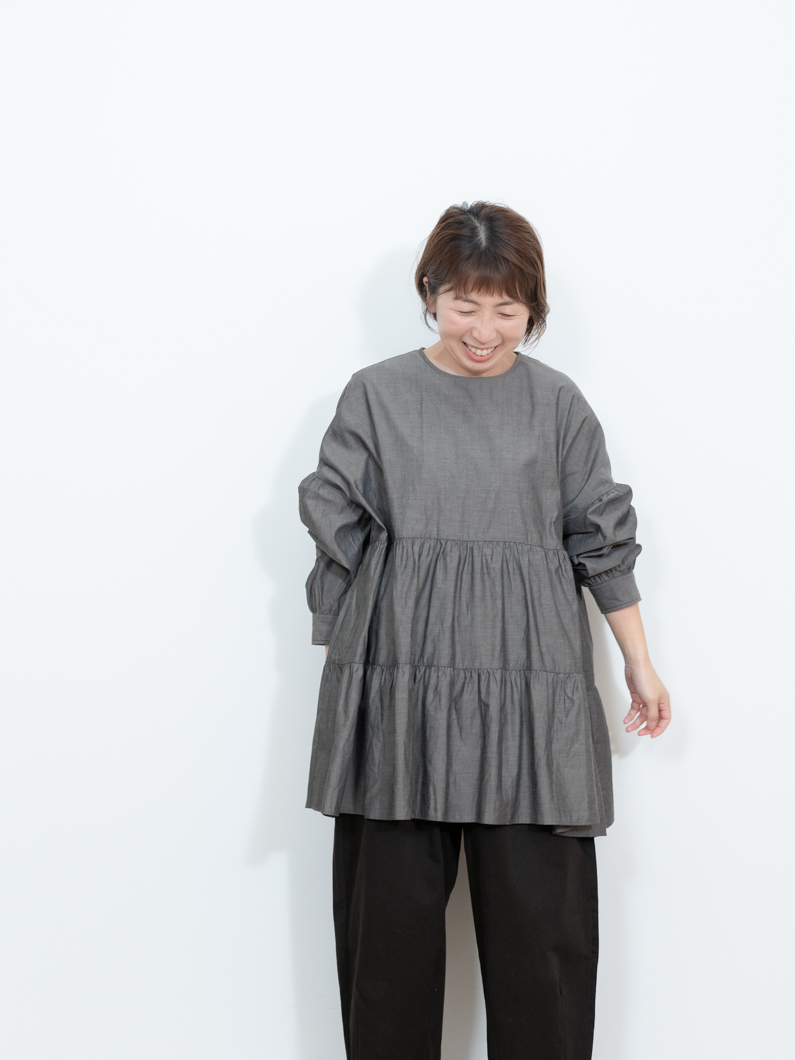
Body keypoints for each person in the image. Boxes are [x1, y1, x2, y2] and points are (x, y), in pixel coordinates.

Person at [297, 201, 671, 1060]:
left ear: (532, 308)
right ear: (430, 293)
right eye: (465, 304)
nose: (484, 329)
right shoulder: (375, 395)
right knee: (387, 957)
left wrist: (639, 663)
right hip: (402, 690)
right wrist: (357, 669)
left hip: (531, 693)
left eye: (507, 309)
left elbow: (599, 536)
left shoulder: (556, 404)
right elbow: (334, 527)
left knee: (543, 954)